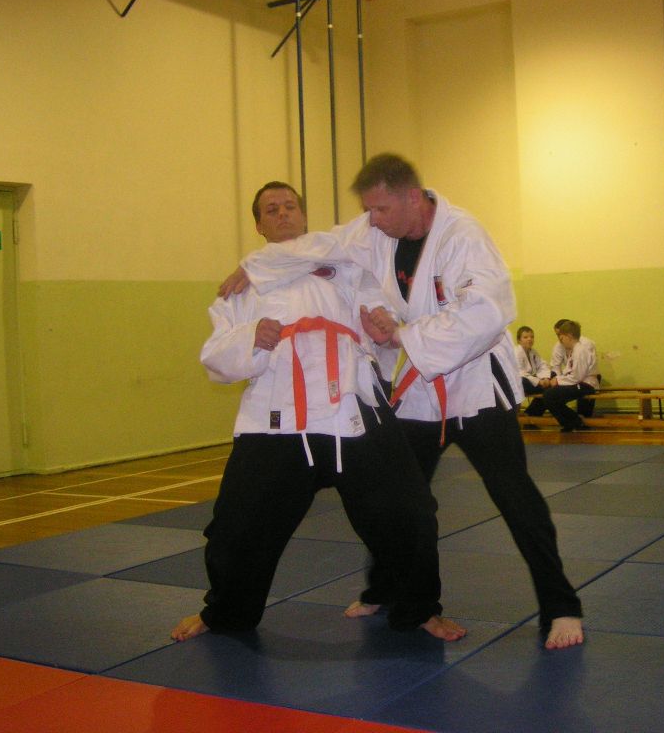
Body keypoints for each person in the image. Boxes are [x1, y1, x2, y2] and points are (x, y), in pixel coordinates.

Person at [221, 155, 584, 649]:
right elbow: (323, 244)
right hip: (419, 389)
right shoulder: (375, 229)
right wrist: (254, 265)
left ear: (413, 198)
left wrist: (402, 334)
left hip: (476, 386)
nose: (371, 220)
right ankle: (384, 588)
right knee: (394, 499)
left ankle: (561, 606)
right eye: (367, 210)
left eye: (380, 209)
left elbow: (485, 314)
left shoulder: (463, 236)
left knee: (514, 496)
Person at [172, 181, 465, 644]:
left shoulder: (347, 265)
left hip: (352, 408)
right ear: (259, 225)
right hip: (278, 418)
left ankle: (418, 609)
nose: (283, 214)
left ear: (304, 216)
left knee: (408, 511)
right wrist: (251, 339)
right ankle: (226, 612)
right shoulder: (241, 289)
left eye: (290, 206)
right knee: (236, 527)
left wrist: (382, 328)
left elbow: (381, 320)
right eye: (272, 209)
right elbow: (216, 359)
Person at [542, 320, 600, 432]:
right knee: (550, 395)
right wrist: (557, 379)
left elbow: (577, 377)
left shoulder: (581, 350)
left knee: (550, 395)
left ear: (569, 336)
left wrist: (558, 381)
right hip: (580, 383)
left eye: (562, 338)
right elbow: (568, 371)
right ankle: (573, 421)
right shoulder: (574, 350)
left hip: (587, 385)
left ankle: (574, 421)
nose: (561, 341)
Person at [515, 325, 551, 417]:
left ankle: (531, 413)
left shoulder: (532, 352)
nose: (529, 339)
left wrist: (545, 378)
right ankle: (532, 413)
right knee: (550, 391)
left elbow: (542, 365)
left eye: (532, 337)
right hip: (519, 383)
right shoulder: (516, 352)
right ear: (519, 340)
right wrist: (539, 381)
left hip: (531, 380)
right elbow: (520, 372)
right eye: (525, 337)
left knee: (552, 380)